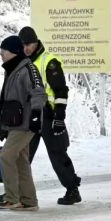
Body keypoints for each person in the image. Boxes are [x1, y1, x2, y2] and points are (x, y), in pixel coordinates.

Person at [19, 26, 82, 205]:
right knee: (23, 155)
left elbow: (61, 91)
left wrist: (59, 117)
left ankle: (72, 190)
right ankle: (14, 192)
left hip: (48, 116)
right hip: (30, 117)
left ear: (36, 42)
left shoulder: (49, 62)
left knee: (58, 154)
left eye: (29, 44)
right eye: (23, 45)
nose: (26, 48)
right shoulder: (24, 63)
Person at [0, 35, 47, 211]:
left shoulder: (27, 69)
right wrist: (2, 126)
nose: (1, 53)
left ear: (14, 52)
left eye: (4, 50)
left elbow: (39, 93)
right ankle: (29, 200)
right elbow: (5, 100)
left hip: (25, 123)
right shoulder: (13, 69)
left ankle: (12, 198)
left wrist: (34, 117)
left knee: (6, 156)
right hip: (15, 123)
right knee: (20, 161)